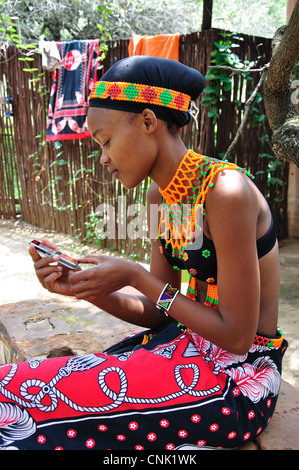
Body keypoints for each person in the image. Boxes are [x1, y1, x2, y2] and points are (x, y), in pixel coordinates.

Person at [0, 56, 288, 450]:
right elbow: (159, 312)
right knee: (16, 387)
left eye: (105, 141)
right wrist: (87, 289)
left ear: (149, 122)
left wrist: (137, 277)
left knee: (36, 418)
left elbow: (237, 336)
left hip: (240, 379)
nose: (102, 158)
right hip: (186, 345)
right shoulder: (165, 196)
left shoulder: (225, 194)